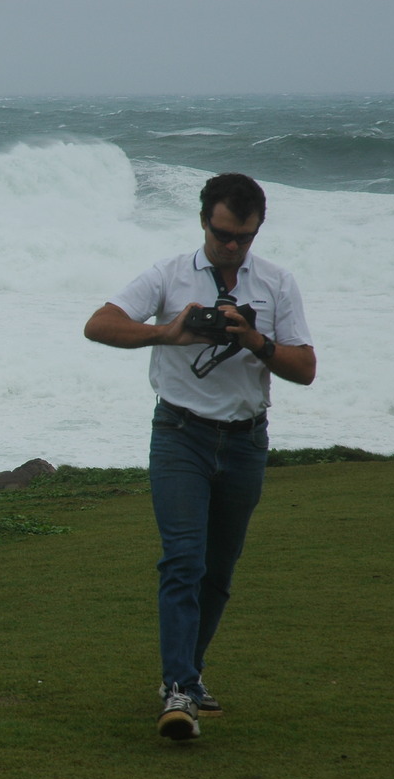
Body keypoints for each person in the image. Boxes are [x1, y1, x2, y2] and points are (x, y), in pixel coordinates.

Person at [83, 173, 316, 741]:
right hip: (180, 434)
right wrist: (168, 334)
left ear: (258, 230)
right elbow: (99, 325)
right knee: (183, 560)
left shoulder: (277, 283)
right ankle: (180, 688)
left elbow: (305, 369)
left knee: (218, 570)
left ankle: (189, 676)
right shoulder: (167, 273)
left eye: (243, 237)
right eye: (222, 235)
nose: (232, 247)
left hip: (244, 440)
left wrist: (254, 340)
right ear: (203, 222)